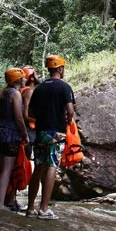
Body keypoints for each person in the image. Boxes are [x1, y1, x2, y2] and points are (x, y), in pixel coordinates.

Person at [26, 55, 75, 219]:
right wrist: (68, 121)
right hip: (56, 132)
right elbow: (70, 111)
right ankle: (44, 209)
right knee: (52, 166)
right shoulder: (64, 87)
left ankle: (30, 208)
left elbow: (31, 113)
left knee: (38, 167)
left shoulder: (39, 89)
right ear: (60, 69)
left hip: (40, 133)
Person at [0, 68, 29, 209]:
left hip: (0, 132)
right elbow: (19, 118)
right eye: (23, 77)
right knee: (6, 170)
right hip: (11, 134)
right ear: (18, 79)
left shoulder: (4, 93)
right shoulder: (16, 94)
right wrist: (24, 134)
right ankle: (0, 204)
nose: (25, 79)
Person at [3, 65, 40, 211]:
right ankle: (11, 200)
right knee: (19, 165)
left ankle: (10, 199)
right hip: (27, 132)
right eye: (35, 73)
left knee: (15, 165)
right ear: (31, 76)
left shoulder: (20, 91)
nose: (37, 75)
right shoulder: (28, 91)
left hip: (17, 131)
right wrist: (41, 120)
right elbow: (25, 115)